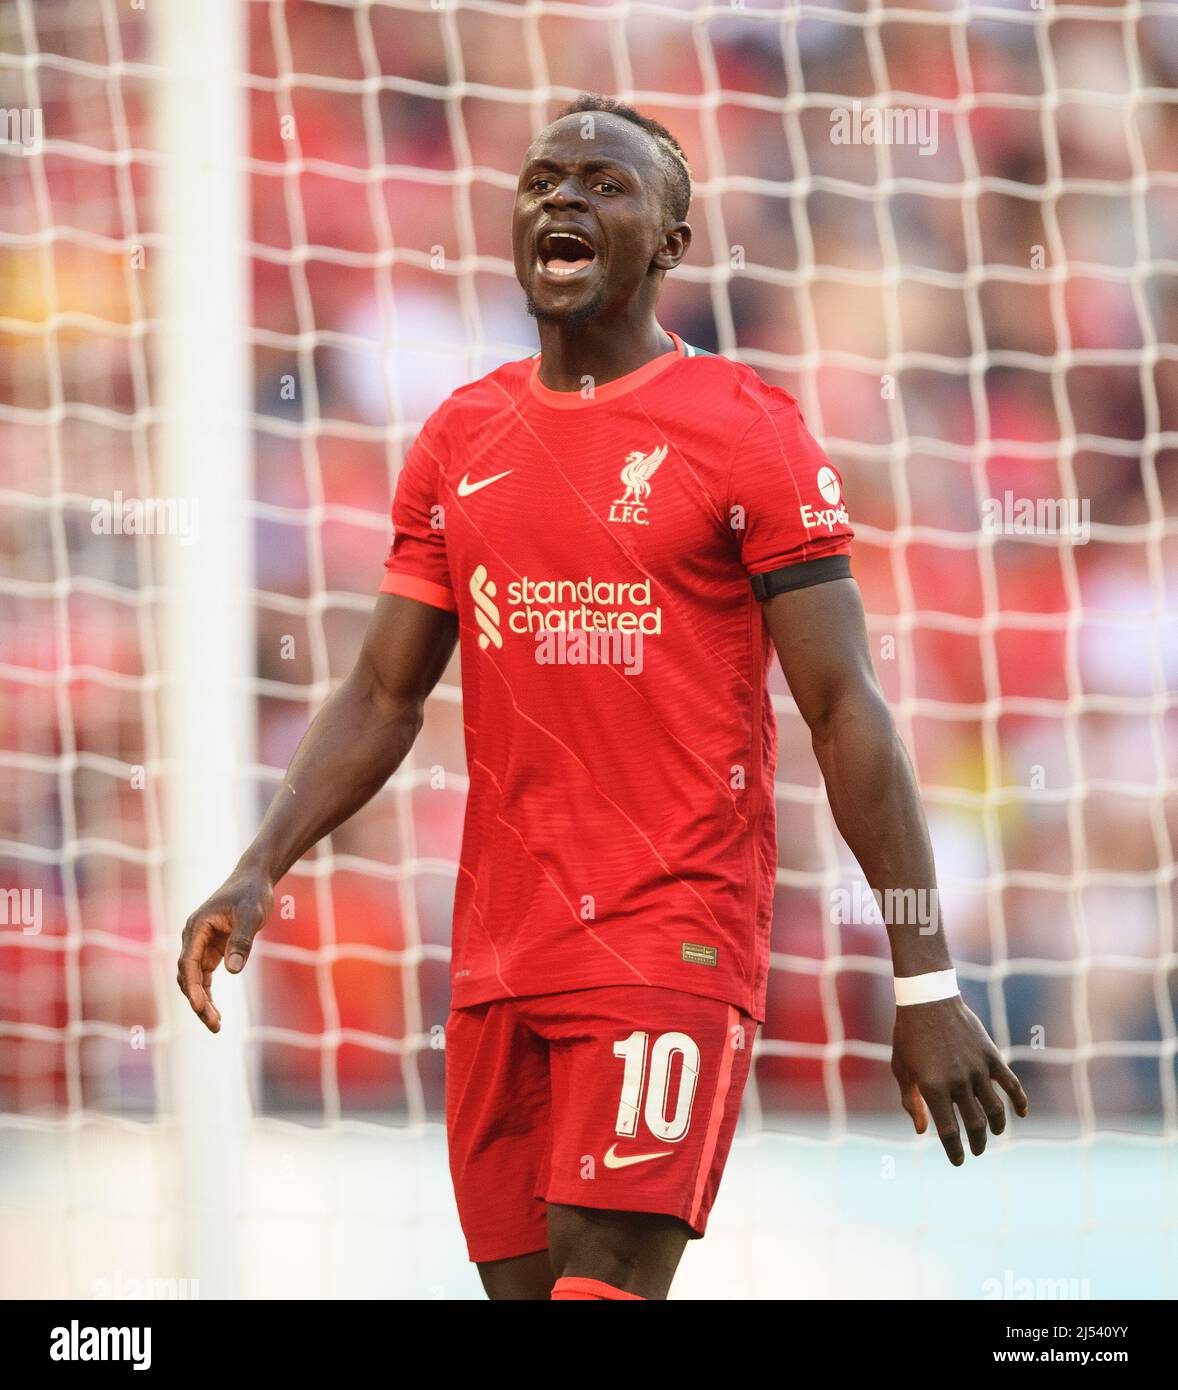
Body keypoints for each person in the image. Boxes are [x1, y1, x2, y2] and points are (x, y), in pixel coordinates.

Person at [178, 94, 1028, 1301]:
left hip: (666, 940)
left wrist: (924, 981)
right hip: (498, 957)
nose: (564, 197)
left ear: (670, 244)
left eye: (605, 183)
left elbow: (846, 711)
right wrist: (258, 865)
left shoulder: (746, 432)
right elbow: (381, 691)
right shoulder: (459, 436)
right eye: (543, 180)